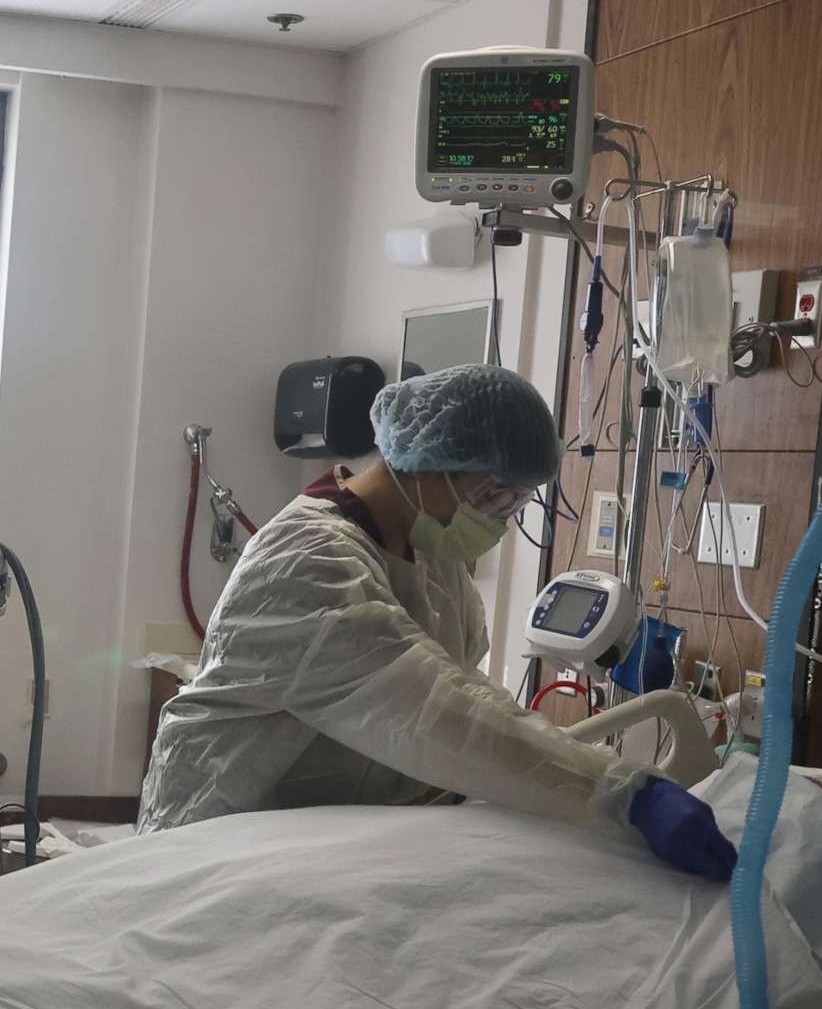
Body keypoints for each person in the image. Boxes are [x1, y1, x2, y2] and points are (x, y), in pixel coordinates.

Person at [138, 363, 737, 881]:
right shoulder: (307, 564)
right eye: (494, 496)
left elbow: (461, 691)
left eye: (513, 503)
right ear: (431, 465)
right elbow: (434, 712)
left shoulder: (432, 554)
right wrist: (622, 792)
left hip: (328, 840)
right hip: (221, 835)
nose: (499, 519)